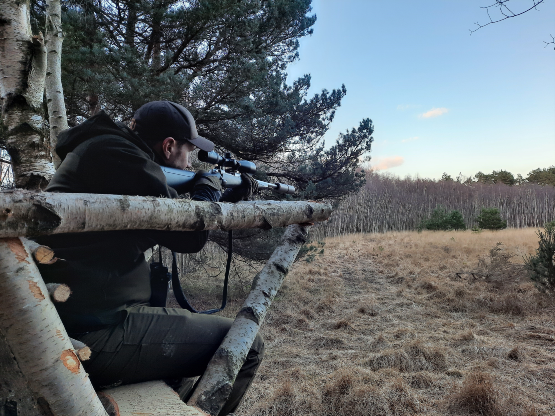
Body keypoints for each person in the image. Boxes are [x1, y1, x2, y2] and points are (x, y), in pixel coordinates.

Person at [34, 101, 263, 416]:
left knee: (182, 369)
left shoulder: (108, 153)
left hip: (84, 319)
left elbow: (169, 217)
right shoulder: (117, 155)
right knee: (248, 345)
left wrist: (221, 195)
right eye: (188, 152)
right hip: (86, 335)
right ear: (169, 146)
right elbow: (190, 236)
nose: (189, 163)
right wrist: (208, 191)